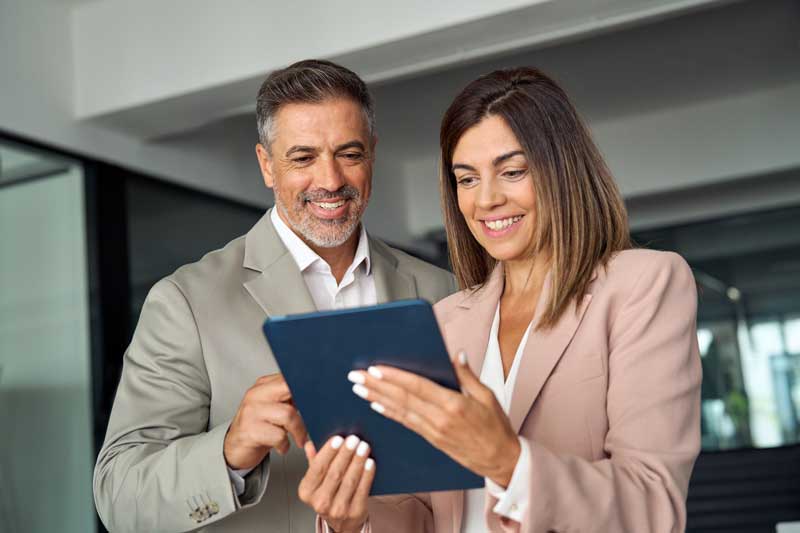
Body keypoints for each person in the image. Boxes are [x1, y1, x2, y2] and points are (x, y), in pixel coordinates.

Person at [304, 67, 702, 532]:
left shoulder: (644, 285)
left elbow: (652, 507)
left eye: (511, 172)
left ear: (563, 170)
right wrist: (351, 521)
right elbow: (425, 512)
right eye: (467, 180)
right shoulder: (446, 318)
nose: (487, 199)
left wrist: (509, 461)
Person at [92, 59, 457, 533]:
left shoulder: (440, 291)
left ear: (372, 153)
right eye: (303, 158)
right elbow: (118, 495)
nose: (329, 180)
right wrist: (229, 451)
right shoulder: (185, 302)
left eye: (349, 153)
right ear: (267, 164)